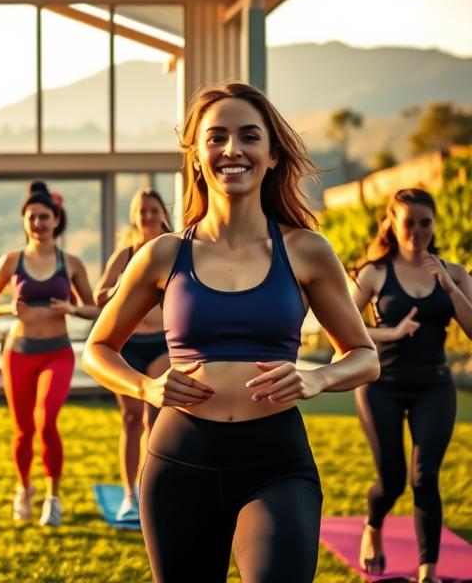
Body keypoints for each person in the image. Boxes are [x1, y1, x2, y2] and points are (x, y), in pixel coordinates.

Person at [83, 83, 379, 583]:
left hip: (276, 463)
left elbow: (364, 356)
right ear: (197, 157)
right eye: (216, 138)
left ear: (271, 153)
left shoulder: (308, 251)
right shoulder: (162, 253)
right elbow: (97, 348)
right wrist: (145, 386)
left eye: (248, 137)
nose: (232, 150)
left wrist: (318, 378)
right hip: (179, 462)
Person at [350, 188, 472, 583]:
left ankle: (428, 573)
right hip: (379, 385)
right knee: (392, 480)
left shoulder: (453, 273)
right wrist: (393, 332)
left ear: (433, 224)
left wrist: (451, 290)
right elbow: (344, 329)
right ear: (393, 223)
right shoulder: (375, 272)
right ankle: (373, 526)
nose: (417, 232)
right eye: (409, 223)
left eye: (425, 223)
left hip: (434, 387)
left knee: (425, 477)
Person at [0, 180, 100, 527]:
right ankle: (24, 487)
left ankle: (53, 496)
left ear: (56, 219)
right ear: (24, 220)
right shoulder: (12, 260)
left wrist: (71, 308)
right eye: (31, 217)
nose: (37, 223)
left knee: (46, 422)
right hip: (18, 352)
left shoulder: (71, 263)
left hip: (57, 353)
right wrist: (7, 310)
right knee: (22, 430)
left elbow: (95, 310)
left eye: (44, 217)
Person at [93, 188, 172, 524]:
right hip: (128, 345)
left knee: (154, 420)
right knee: (130, 420)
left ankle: (149, 489)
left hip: (161, 344)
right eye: (143, 211)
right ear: (134, 215)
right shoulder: (125, 256)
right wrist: (125, 285)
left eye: (153, 210)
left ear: (161, 214)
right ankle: (129, 493)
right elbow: (99, 296)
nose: (148, 216)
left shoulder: (173, 251)